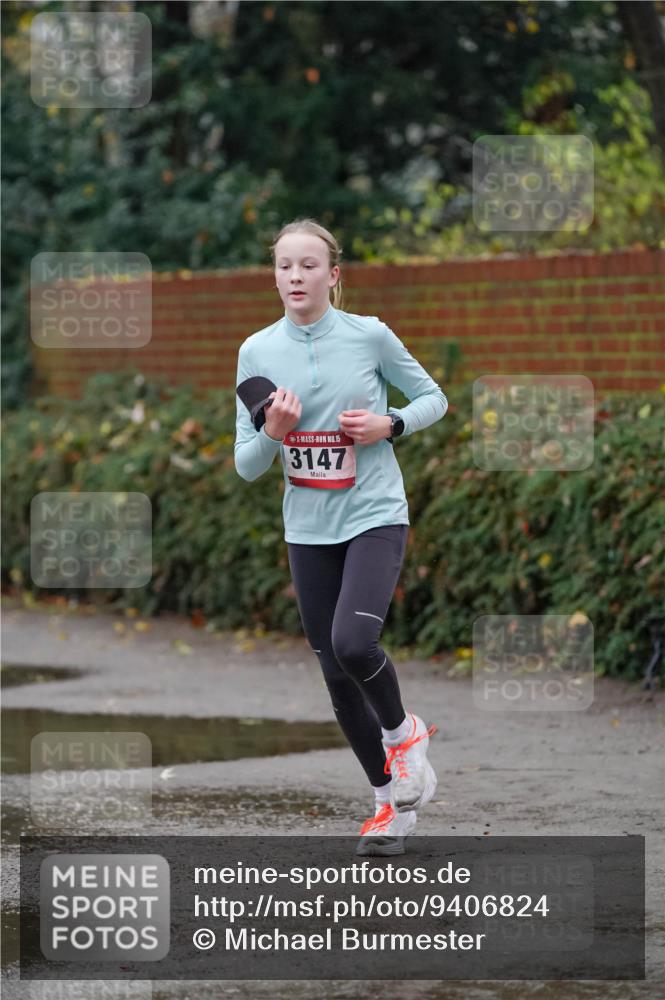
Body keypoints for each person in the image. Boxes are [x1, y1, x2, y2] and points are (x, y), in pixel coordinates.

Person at [234, 218, 448, 856]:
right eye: (283, 266)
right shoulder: (256, 352)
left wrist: (391, 424)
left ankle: (405, 732)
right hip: (308, 527)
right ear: (274, 274)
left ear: (333, 274)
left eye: (307, 265)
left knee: (354, 643)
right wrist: (272, 431)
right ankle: (390, 806)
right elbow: (246, 463)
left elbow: (434, 397)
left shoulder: (369, 336)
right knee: (333, 673)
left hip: (375, 514)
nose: (294, 276)